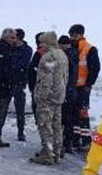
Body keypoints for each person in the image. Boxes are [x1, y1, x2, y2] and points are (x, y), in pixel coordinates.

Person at [31, 32, 69, 165]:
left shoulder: (49, 57)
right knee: (56, 125)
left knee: (45, 125)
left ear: (47, 42)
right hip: (58, 96)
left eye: (42, 42)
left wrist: (41, 97)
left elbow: (46, 80)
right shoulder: (62, 55)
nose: (41, 45)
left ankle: (48, 154)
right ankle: (56, 152)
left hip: (48, 98)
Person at [69, 24, 100, 150]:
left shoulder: (90, 49)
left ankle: (86, 141)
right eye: (71, 34)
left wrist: (89, 84)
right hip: (72, 87)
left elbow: (95, 68)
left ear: (81, 34)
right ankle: (75, 140)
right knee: (73, 113)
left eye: (74, 34)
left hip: (83, 87)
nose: (72, 37)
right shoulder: (71, 47)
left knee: (82, 113)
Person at [11, 29, 33, 141]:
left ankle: (20, 131)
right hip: (8, 82)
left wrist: (10, 68)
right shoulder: (10, 48)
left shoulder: (27, 50)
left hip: (19, 82)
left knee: (20, 109)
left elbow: (22, 64)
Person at [59, 35, 80, 155]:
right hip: (72, 91)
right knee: (69, 120)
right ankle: (68, 144)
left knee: (63, 120)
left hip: (65, 92)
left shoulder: (65, 56)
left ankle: (63, 144)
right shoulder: (75, 54)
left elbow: (66, 75)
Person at [27, 32, 45, 116]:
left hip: (40, 85)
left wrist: (32, 85)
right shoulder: (57, 52)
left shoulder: (39, 53)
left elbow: (32, 70)